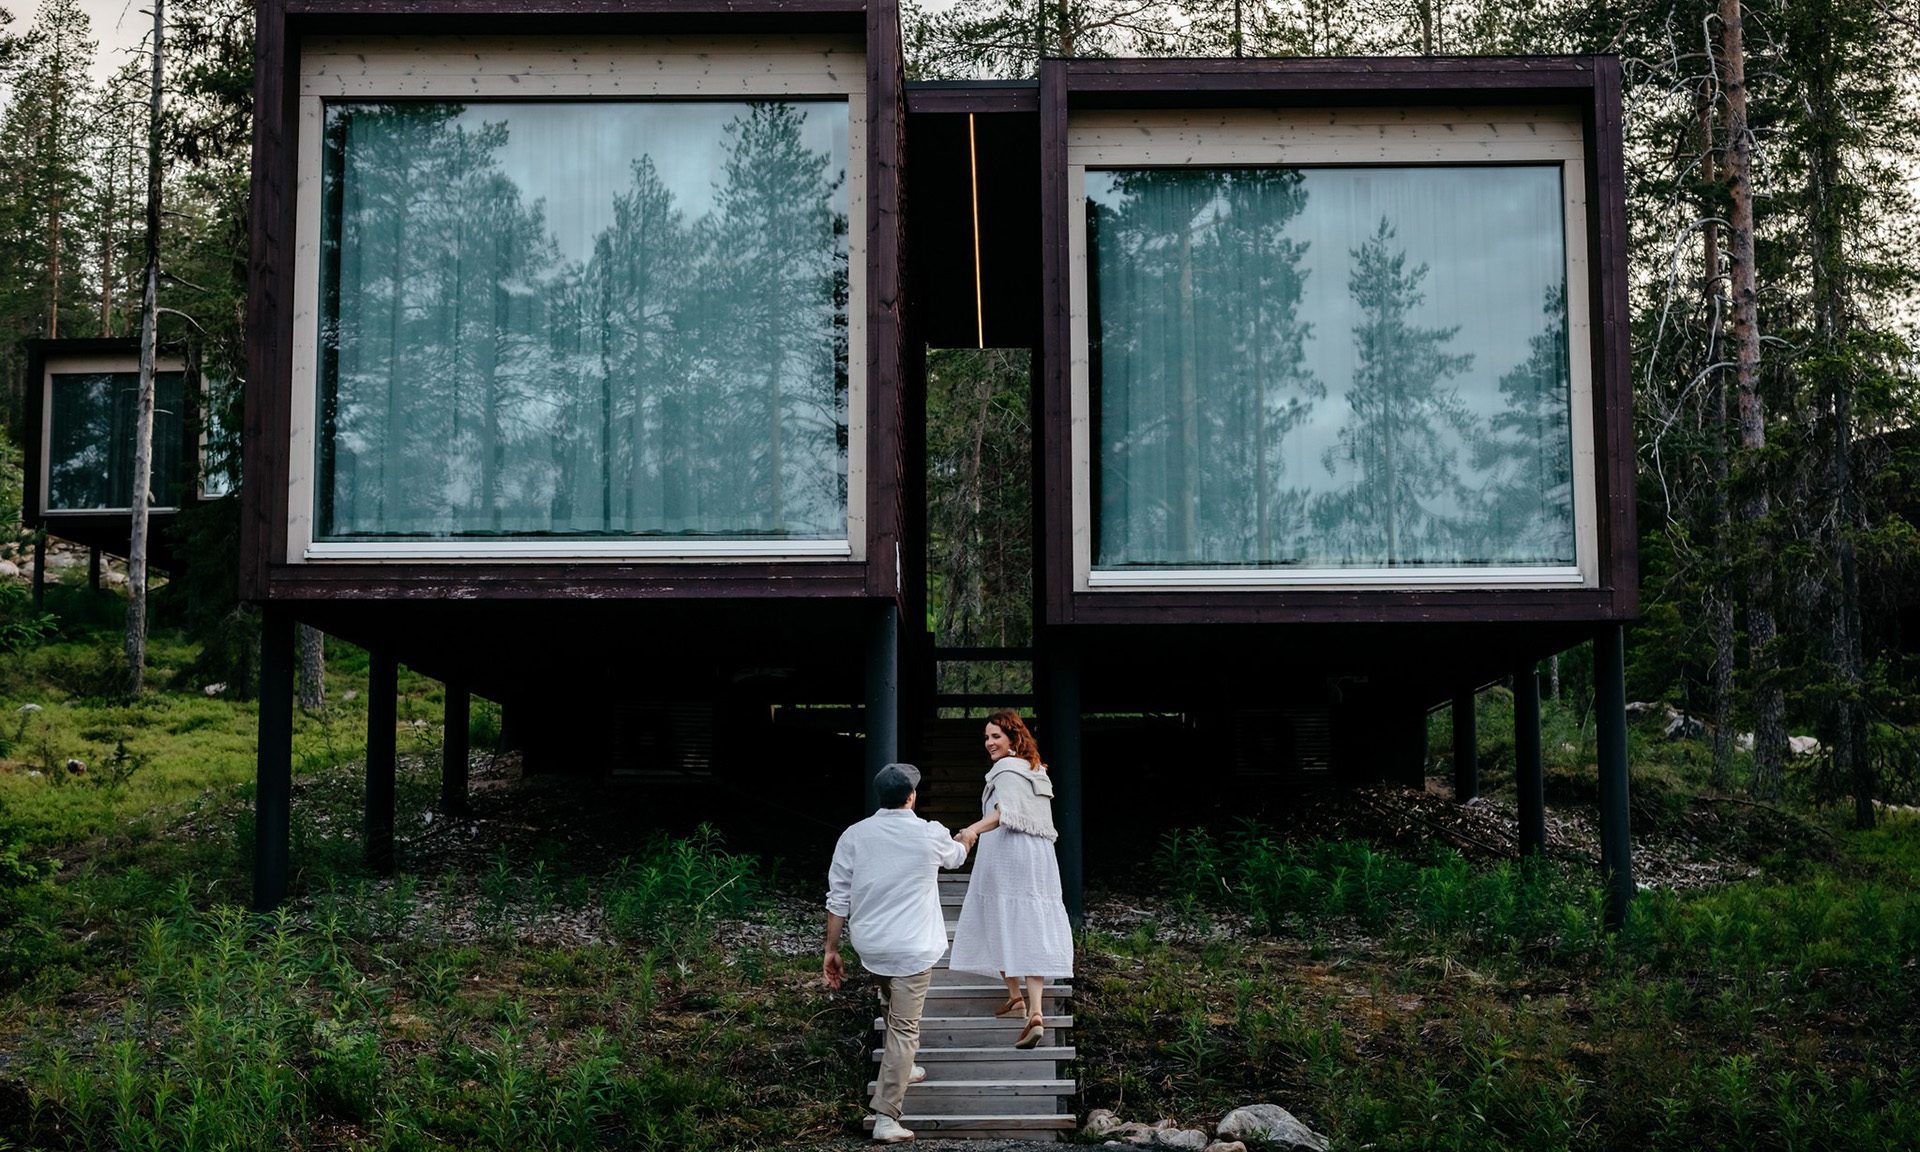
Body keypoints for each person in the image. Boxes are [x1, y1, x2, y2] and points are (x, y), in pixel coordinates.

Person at [825, 762, 971, 1144]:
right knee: (905, 1029)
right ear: (911, 797)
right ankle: (887, 1116)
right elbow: (956, 856)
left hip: (871, 945)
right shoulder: (930, 834)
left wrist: (831, 948)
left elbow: (838, 897)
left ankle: (905, 1066)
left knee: (891, 1001)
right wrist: (967, 839)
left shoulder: (854, 835)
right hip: (913, 948)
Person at [947, 709, 1074, 1050]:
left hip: (1006, 852)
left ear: (1013, 738)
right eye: (986, 738)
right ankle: (1029, 1007)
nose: (989, 743)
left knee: (999, 918)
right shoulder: (1037, 771)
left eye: (995, 737)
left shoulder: (1004, 769)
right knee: (1031, 922)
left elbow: (1002, 814)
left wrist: (971, 830)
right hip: (1039, 857)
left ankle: (1020, 999)